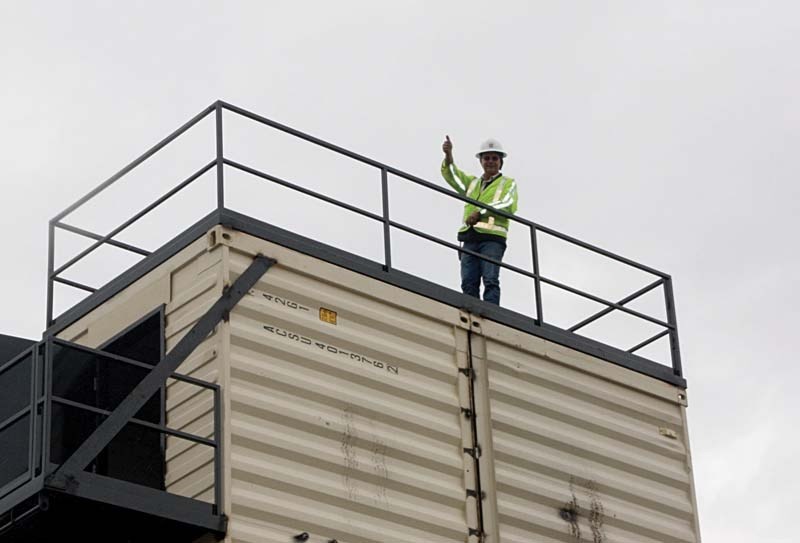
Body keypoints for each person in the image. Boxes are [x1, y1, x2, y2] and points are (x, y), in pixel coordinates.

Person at [441, 136, 518, 305]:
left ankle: (491, 316)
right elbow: (453, 176)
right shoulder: (473, 184)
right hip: (470, 238)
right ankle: (471, 310)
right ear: (481, 161)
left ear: (500, 162)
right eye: (486, 158)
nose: (490, 161)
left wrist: (480, 212)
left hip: (492, 239)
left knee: (490, 279)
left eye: (494, 158)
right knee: (468, 281)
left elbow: (507, 204)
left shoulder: (508, 183)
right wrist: (449, 155)